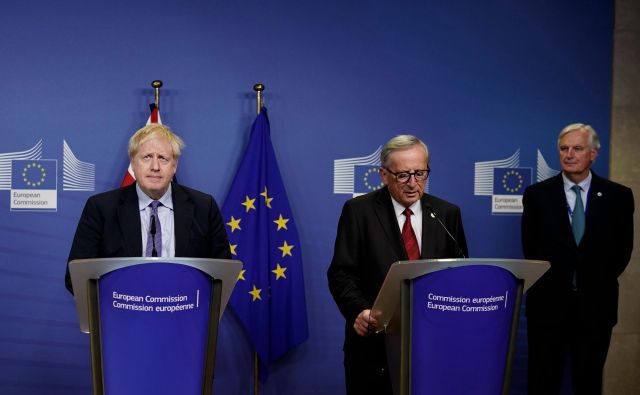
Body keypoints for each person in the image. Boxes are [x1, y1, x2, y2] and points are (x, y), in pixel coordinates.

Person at [327, 134, 468, 394]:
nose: (413, 183)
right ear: (383, 174)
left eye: (421, 173)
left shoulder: (447, 214)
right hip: (374, 345)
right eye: (403, 175)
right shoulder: (359, 211)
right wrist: (359, 311)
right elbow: (341, 273)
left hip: (434, 345)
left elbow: (459, 274)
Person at [521, 123, 634, 394]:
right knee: (543, 382)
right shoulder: (537, 196)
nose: (569, 154)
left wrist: (591, 280)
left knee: (588, 382)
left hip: (596, 308)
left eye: (577, 148)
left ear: (593, 153)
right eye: (564, 148)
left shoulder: (618, 196)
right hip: (547, 308)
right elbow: (531, 249)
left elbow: (622, 252)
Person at [65, 123, 230, 294]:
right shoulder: (101, 208)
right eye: (147, 157)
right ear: (133, 163)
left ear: (174, 166)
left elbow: (221, 274)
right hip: (123, 314)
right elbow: (76, 278)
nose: (155, 167)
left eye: (163, 158)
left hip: (183, 313)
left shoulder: (204, 207)